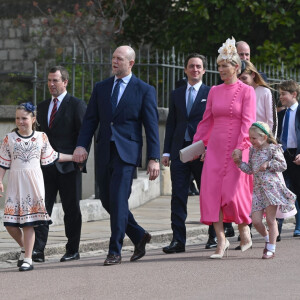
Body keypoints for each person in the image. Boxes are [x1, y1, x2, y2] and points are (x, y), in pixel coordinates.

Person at [73, 45, 160, 266]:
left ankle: (115, 250)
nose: (114, 62)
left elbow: (151, 128)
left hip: (127, 153)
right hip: (104, 151)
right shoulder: (101, 87)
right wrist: (82, 145)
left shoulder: (144, 89)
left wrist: (154, 158)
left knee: (120, 200)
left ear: (130, 63)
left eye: (119, 59)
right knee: (107, 200)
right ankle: (139, 235)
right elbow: (90, 120)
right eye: (113, 58)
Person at [192, 37, 256, 259]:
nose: (220, 70)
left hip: (238, 149)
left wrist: (241, 147)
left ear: (236, 67)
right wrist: (198, 146)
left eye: (224, 65)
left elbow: (248, 122)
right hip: (215, 149)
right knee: (211, 195)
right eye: (219, 66)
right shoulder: (214, 91)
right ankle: (221, 240)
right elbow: (206, 121)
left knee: (232, 194)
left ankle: (244, 229)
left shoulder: (247, 91)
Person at [0, 102, 74, 271]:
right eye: (17, 118)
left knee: (28, 223)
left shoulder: (41, 137)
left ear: (33, 119)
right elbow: (3, 162)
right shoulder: (9, 139)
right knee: (10, 224)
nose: (20, 121)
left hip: (33, 184)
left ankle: (28, 259)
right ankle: (26, 248)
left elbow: (53, 156)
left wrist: (73, 157)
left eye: (24, 118)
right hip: (15, 185)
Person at [32, 66, 87, 263]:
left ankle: (72, 249)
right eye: (49, 80)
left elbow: (84, 135)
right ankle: (38, 250)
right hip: (44, 169)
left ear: (65, 82)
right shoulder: (43, 106)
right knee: (42, 209)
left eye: (55, 80)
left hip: (68, 167)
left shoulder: (77, 105)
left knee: (71, 210)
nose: (51, 84)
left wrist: (80, 162)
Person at [161, 53, 210, 254]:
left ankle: (214, 237)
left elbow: (213, 124)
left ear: (204, 70)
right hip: (180, 152)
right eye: (191, 66)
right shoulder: (176, 94)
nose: (195, 70)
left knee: (207, 196)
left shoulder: (211, 92)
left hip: (202, 152)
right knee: (178, 197)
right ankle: (178, 240)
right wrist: (166, 152)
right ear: (185, 69)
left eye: (198, 66)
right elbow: (171, 124)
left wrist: (209, 148)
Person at [236, 122, 296, 259]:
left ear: (264, 137)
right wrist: (239, 163)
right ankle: (268, 238)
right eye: (250, 138)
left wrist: (268, 164)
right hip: (258, 189)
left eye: (254, 138)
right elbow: (250, 169)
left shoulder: (273, 149)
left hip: (271, 189)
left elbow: (283, 165)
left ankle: (271, 248)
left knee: (270, 219)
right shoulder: (252, 151)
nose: (251, 141)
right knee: (256, 221)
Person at [277, 80, 300, 238]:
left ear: (294, 94)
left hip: (297, 155)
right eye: (280, 94)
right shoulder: (281, 114)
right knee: (280, 191)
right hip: (282, 155)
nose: (281, 97)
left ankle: (299, 224)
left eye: (283, 94)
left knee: (298, 191)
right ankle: (276, 228)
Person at [239, 60, 277, 135]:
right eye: (238, 79)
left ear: (253, 75)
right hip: (242, 138)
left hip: (261, 140)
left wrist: (270, 141)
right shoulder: (238, 93)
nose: (241, 82)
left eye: (244, 78)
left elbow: (272, 121)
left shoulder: (265, 92)